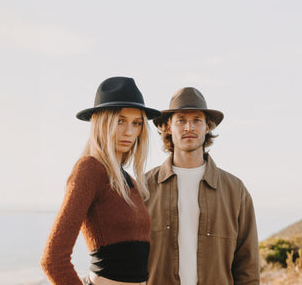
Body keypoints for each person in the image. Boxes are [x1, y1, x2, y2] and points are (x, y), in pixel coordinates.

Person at [40, 76, 161, 285]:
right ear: (102, 122)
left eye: (137, 123)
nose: (129, 132)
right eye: (120, 120)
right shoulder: (89, 169)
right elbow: (52, 260)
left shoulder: (129, 181)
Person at [145, 87, 260, 285]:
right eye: (181, 120)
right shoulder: (144, 188)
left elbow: (247, 267)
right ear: (168, 127)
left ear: (207, 127)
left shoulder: (235, 190)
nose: (189, 127)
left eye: (197, 120)